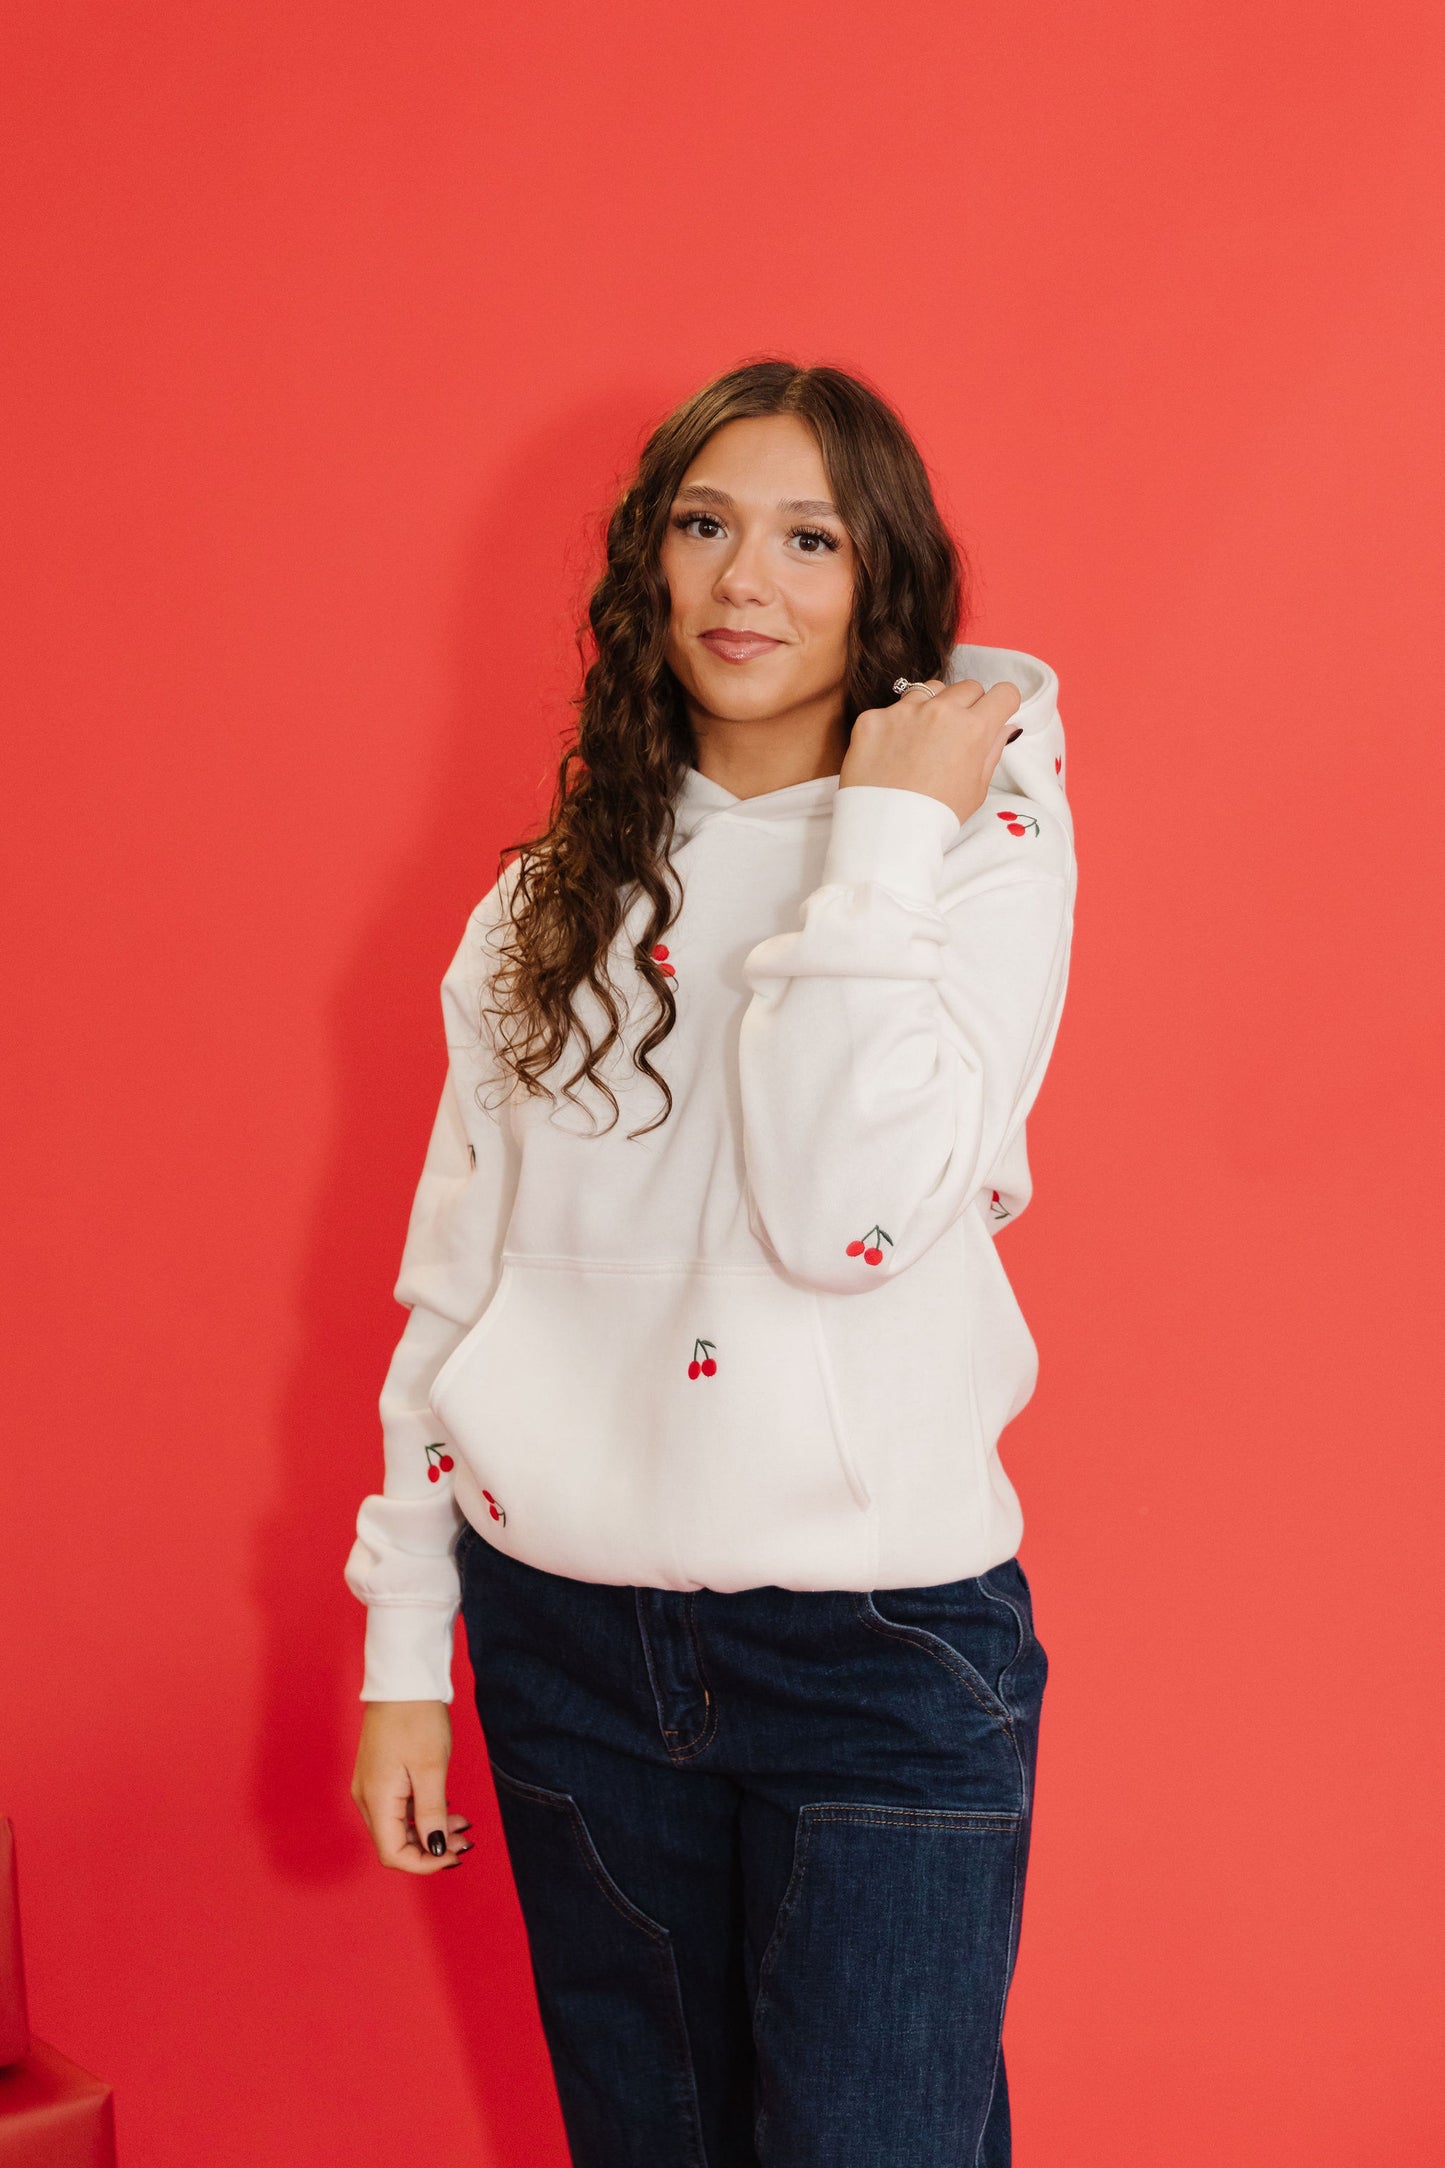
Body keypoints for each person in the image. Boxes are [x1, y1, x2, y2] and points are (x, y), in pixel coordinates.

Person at [346, 356, 1077, 2167]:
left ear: (880, 578)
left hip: (877, 1652)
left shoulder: (972, 858)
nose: (743, 581)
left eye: (807, 538)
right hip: (570, 1641)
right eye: (703, 526)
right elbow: (457, 1275)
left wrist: (887, 833)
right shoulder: (544, 901)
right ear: (645, 567)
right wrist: (405, 1643)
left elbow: (848, 1220)